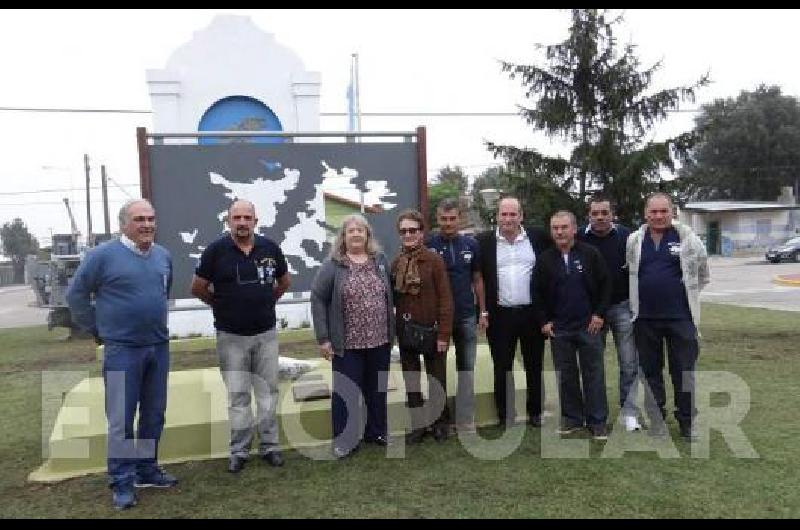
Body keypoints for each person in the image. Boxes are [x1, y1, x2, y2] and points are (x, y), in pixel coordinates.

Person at [67, 199, 176, 511]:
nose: (147, 225)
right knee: (121, 419)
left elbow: (162, 293)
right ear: (124, 224)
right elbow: (75, 295)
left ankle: (146, 470)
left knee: (154, 414)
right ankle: (122, 481)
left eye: (151, 218)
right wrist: (98, 328)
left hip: (157, 346)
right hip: (121, 350)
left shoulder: (163, 256)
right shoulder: (102, 256)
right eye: (139, 219)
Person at [191, 199, 290, 473]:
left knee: (268, 393)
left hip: (266, 333)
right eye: (237, 218)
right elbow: (197, 287)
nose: (243, 222)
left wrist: (267, 302)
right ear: (228, 221)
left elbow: (284, 281)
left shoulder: (270, 248)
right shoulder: (215, 251)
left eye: (248, 217)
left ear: (256, 221)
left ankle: (270, 447)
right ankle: (240, 451)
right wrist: (220, 304)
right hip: (231, 335)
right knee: (238, 395)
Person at [626, 193, 710, 441]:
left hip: (681, 319)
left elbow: (703, 274)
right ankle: (657, 421)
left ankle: (687, 423)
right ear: (645, 213)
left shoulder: (687, 238)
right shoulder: (634, 240)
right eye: (654, 211)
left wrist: (686, 295)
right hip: (645, 319)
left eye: (664, 211)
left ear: (672, 212)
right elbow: (631, 272)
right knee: (651, 372)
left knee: (684, 372)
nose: (659, 216)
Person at [310, 214, 394, 459]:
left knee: (377, 390)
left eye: (361, 230)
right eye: (351, 231)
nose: (356, 234)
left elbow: (389, 293)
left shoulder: (380, 261)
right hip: (347, 343)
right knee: (346, 391)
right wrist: (323, 338)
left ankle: (376, 432)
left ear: (368, 235)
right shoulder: (333, 265)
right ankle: (344, 441)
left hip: (379, 340)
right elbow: (318, 299)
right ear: (343, 237)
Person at [476, 196, 552, 428]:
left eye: (512, 214)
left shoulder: (539, 238)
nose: (508, 219)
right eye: (503, 214)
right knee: (502, 366)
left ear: (521, 216)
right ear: (497, 216)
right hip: (500, 315)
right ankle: (505, 414)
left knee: (534, 364)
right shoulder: (484, 241)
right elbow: (477, 278)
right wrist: (482, 311)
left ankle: (535, 412)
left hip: (532, 313)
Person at [535, 211, 611, 440]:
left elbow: (606, 285)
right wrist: (544, 322)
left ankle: (597, 422)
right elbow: (537, 293)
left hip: (589, 327)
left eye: (564, 227)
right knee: (566, 376)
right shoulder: (545, 259)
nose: (560, 232)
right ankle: (572, 419)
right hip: (560, 329)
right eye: (555, 228)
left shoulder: (590, 254)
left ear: (574, 229)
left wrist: (599, 314)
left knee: (593, 374)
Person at [578, 194, 642, 432]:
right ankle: (596, 415)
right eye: (595, 213)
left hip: (622, 307)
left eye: (605, 213)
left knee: (628, 363)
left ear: (612, 214)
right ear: (589, 215)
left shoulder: (628, 237)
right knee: (593, 365)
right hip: (592, 312)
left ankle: (629, 414)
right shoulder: (579, 238)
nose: (600, 217)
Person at [426, 198, 487, 433]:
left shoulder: (471, 245)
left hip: (466, 316)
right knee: (436, 370)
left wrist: (483, 311)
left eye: (453, 219)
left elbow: (478, 279)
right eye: (444, 219)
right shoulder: (428, 244)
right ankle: (439, 420)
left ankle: (465, 418)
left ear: (460, 219)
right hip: (438, 319)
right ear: (437, 219)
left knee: (466, 368)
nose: (448, 223)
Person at [392, 209, 453, 444]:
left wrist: (444, 334)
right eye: (404, 231)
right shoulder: (397, 262)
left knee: (436, 379)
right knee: (412, 380)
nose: (408, 234)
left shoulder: (434, 260)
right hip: (406, 329)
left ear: (421, 232)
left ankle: (440, 423)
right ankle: (418, 426)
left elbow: (446, 299)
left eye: (413, 230)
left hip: (432, 330)